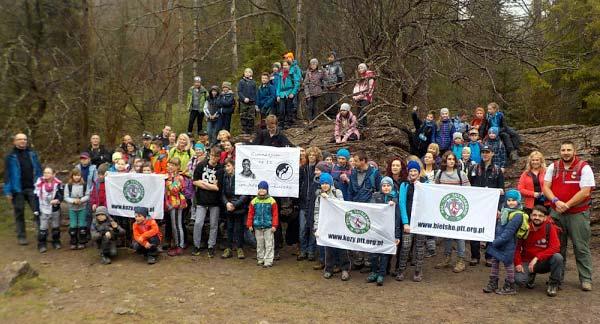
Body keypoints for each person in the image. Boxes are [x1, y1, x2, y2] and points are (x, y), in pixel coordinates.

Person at [542, 141, 595, 292]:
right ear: (560, 151)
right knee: (557, 247)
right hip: (557, 212)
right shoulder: (554, 166)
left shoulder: (583, 167)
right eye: (563, 149)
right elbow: (546, 186)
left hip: (577, 213)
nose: (565, 152)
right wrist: (555, 201)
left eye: (568, 150)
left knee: (581, 247)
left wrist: (568, 204)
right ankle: (557, 279)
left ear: (574, 151)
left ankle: (586, 278)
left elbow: (585, 191)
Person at [468, 145, 505, 266]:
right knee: (474, 229)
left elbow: (502, 189)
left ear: (492, 153)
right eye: (483, 152)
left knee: (491, 230)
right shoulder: (474, 168)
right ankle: (475, 256)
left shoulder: (498, 170)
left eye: (487, 152)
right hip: (476, 205)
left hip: (491, 206)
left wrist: (499, 208)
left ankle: (489, 256)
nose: (485, 154)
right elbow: (468, 186)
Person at [514, 205, 563, 297]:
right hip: (527, 261)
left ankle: (553, 284)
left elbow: (556, 247)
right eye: (534, 215)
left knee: (558, 257)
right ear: (531, 216)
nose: (537, 218)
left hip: (542, 261)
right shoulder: (524, 227)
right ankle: (531, 276)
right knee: (519, 280)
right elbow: (516, 248)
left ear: (545, 218)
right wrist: (518, 263)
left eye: (540, 216)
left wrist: (537, 257)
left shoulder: (549, 227)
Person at [483, 189, 525, 295]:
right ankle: (493, 282)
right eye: (509, 200)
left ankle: (510, 285)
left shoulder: (518, 215)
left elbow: (509, 232)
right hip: (498, 241)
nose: (511, 202)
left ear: (518, 201)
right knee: (495, 262)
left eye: (514, 200)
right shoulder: (504, 212)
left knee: (508, 264)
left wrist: (496, 241)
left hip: (508, 244)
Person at [434, 151, 470, 272]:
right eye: (449, 159)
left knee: (459, 235)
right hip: (445, 209)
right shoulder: (439, 174)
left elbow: (469, 191)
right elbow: (434, 189)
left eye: (453, 159)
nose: (451, 161)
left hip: (459, 210)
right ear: (445, 160)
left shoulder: (461, 174)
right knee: (447, 234)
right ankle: (447, 257)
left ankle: (461, 259)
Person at [4, 133, 43, 245]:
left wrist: (41, 184)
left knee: (37, 211)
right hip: (18, 189)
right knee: (19, 213)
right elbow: (7, 175)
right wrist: (7, 191)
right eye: (20, 139)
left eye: (25, 139)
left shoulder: (32, 154)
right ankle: (21, 236)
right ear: (15, 141)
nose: (23, 141)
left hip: (33, 188)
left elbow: (38, 170)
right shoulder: (10, 156)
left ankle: (41, 233)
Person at [348, 151, 382, 270]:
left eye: (356, 160)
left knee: (368, 234)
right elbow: (350, 190)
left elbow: (379, 190)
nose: (354, 163)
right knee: (356, 232)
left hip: (369, 208)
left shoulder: (375, 173)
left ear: (363, 161)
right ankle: (358, 260)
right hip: (356, 208)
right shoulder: (352, 173)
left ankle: (369, 261)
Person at [313, 173, 350, 280]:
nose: (324, 185)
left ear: (330, 183)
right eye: (322, 183)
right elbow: (317, 212)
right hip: (327, 225)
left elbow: (341, 205)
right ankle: (329, 269)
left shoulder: (337, 192)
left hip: (339, 224)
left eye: (326, 183)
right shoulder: (319, 197)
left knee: (342, 247)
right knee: (328, 248)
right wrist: (316, 227)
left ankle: (345, 269)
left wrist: (328, 198)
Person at [396, 161, 427, 282]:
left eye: (415, 171)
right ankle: (401, 269)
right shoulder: (405, 184)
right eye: (411, 171)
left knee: (420, 247)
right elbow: (402, 203)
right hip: (408, 221)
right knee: (406, 246)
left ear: (419, 172)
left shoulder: (425, 183)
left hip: (421, 222)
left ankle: (418, 270)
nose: (413, 173)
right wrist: (405, 222)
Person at [368, 177, 401, 286]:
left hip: (388, 232)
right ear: (380, 187)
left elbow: (397, 219)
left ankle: (382, 274)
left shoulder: (395, 199)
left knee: (384, 254)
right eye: (384, 185)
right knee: (373, 253)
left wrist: (397, 236)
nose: (386, 188)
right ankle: (373, 271)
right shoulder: (375, 196)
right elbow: (371, 210)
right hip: (376, 231)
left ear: (391, 187)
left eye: (388, 186)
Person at [192, 146, 222, 257]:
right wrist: (210, 186)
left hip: (215, 201)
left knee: (214, 225)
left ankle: (211, 246)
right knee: (198, 223)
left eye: (217, 156)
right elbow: (195, 181)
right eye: (213, 155)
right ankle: (196, 245)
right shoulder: (201, 165)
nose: (214, 158)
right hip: (201, 199)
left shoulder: (220, 168)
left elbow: (218, 187)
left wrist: (204, 184)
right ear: (210, 155)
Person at [221, 158, 250, 259]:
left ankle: (239, 248)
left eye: (228, 166)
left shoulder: (241, 177)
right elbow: (223, 193)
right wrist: (227, 203)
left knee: (239, 228)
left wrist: (235, 204)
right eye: (225, 166)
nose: (226, 168)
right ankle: (228, 248)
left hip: (239, 207)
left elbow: (245, 193)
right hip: (229, 206)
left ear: (234, 166)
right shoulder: (225, 177)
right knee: (229, 228)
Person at [247, 181, 279, 268]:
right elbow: (250, 213)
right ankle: (260, 258)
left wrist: (274, 225)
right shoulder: (254, 201)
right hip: (257, 226)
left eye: (264, 189)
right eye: (260, 189)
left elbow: (275, 214)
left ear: (267, 190)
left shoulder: (272, 201)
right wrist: (249, 224)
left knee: (269, 244)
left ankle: (268, 260)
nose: (261, 190)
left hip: (268, 226)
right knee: (259, 244)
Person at [298, 147, 322, 261]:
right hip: (303, 202)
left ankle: (311, 251)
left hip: (314, 203)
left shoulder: (319, 170)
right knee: (302, 228)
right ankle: (303, 250)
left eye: (314, 155)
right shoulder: (303, 168)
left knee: (313, 229)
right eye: (310, 155)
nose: (311, 157)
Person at [34, 167, 63, 253]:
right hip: (43, 208)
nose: (46, 174)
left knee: (55, 226)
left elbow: (61, 195)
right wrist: (36, 209)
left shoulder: (58, 184)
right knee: (43, 227)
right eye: (44, 172)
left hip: (54, 208)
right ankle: (42, 244)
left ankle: (56, 241)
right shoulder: (39, 184)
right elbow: (36, 197)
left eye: (48, 172)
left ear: (53, 174)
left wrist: (57, 200)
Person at [165, 157, 187, 257]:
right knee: (173, 225)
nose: (170, 166)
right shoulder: (169, 176)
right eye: (169, 164)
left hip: (177, 204)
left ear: (177, 167)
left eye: (173, 165)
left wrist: (170, 180)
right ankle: (177, 243)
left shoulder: (179, 177)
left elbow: (174, 190)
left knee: (177, 225)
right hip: (171, 204)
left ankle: (180, 246)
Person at [64, 168, 90, 250]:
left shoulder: (84, 185)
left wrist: (81, 200)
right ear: (72, 176)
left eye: (78, 175)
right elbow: (66, 197)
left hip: (82, 207)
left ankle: (82, 242)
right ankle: (73, 241)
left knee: (82, 224)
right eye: (75, 175)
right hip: (72, 208)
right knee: (73, 225)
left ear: (81, 176)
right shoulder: (68, 185)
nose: (76, 177)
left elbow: (88, 195)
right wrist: (73, 201)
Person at [276, 60, 300, 129]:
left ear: (289, 66)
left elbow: (296, 84)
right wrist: (277, 95)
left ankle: (288, 123)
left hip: (289, 93)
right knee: (281, 109)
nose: (285, 67)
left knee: (288, 109)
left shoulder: (292, 74)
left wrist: (293, 93)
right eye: (283, 65)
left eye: (286, 65)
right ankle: (281, 123)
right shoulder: (281, 74)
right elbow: (278, 86)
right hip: (282, 94)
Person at [352, 63, 376, 130]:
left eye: (361, 68)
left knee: (363, 112)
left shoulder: (370, 77)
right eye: (359, 68)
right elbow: (356, 88)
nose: (360, 69)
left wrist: (359, 96)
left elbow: (369, 89)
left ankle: (362, 127)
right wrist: (355, 96)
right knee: (359, 112)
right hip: (358, 98)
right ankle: (362, 127)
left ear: (365, 68)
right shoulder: (360, 78)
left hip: (366, 98)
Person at [322, 51, 345, 119]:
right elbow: (323, 77)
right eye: (329, 57)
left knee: (335, 101)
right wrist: (325, 85)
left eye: (332, 57)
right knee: (327, 102)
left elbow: (341, 77)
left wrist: (336, 85)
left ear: (335, 58)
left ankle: (335, 116)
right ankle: (327, 116)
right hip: (327, 87)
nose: (330, 58)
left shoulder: (338, 67)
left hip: (335, 87)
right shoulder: (325, 66)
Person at [238, 68, 257, 134]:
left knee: (251, 116)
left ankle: (250, 129)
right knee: (243, 115)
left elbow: (255, 92)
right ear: (244, 73)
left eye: (249, 72)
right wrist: (244, 98)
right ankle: (244, 130)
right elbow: (239, 92)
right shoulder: (241, 81)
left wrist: (254, 101)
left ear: (251, 74)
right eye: (246, 72)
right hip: (243, 102)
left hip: (251, 102)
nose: (247, 73)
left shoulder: (253, 82)